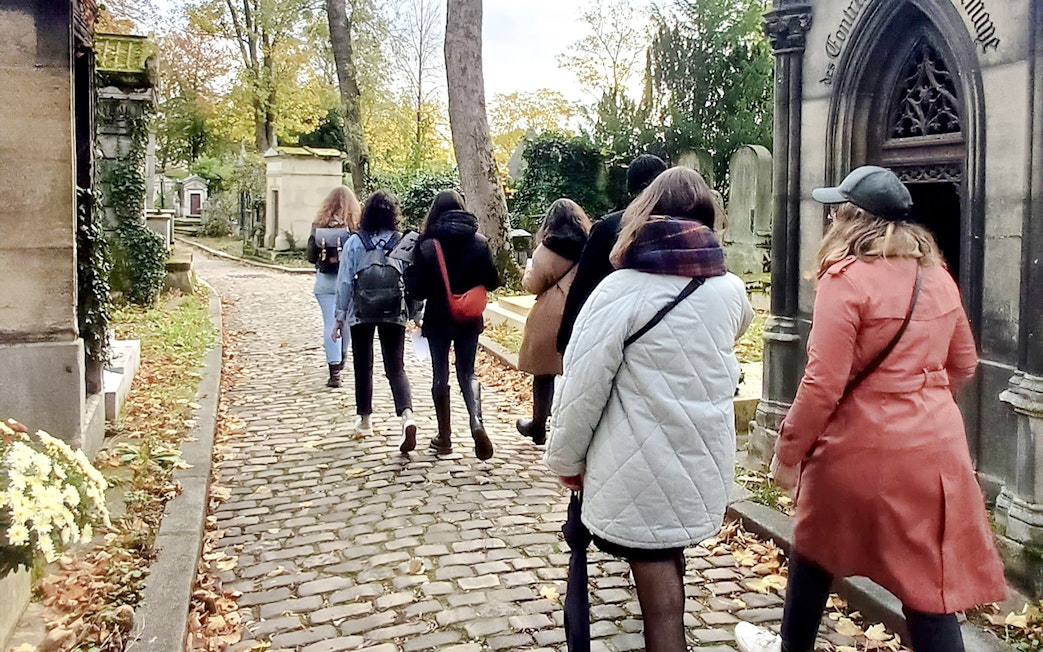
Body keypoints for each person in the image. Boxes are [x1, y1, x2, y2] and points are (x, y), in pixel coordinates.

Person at [733, 166, 1006, 652]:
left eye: (836, 210)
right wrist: (921, 399)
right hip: (936, 449)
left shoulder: (846, 278)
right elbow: (963, 362)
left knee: (815, 544)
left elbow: (822, 383)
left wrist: (788, 451)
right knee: (928, 590)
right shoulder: (937, 275)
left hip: (858, 447)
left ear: (851, 218)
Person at [544, 167, 754, 652]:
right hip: (699, 459)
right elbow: (729, 334)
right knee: (667, 560)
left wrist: (566, 461)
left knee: (661, 605)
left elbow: (582, 386)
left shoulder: (620, 291)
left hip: (639, 462)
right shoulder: (730, 291)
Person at [405, 190, 500, 460]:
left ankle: (444, 437)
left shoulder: (426, 246)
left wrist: (410, 272)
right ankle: (476, 422)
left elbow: (418, 290)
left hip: (438, 318)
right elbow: (493, 281)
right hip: (469, 319)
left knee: (440, 374)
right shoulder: (479, 242)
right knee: (467, 372)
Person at [556, 154, 668, 354]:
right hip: (666, 329)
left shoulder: (609, 227)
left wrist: (567, 340)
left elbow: (583, 286)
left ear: (630, 189)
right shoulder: (685, 228)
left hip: (615, 330)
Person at [333, 190, 418, 453]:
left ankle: (365, 419)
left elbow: (345, 281)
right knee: (396, 367)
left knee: (363, 364)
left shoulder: (355, 243)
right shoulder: (402, 242)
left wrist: (339, 317)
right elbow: (413, 282)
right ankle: (407, 416)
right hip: (394, 311)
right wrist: (416, 314)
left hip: (361, 312)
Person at [516, 199, 591, 445]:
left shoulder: (546, 250)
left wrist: (526, 272)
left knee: (544, 373)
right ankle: (571, 429)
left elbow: (532, 284)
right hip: (583, 308)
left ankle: (538, 425)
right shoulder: (591, 245)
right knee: (576, 374)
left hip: (552, 313)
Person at [307, 186, 360, 388]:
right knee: (345, 322)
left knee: (330, 323)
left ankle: (334, 370)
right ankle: (342, 356)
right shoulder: (354, 225)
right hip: (348, 281)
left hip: (324, 281)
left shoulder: (319, 224)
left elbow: (311, 255)